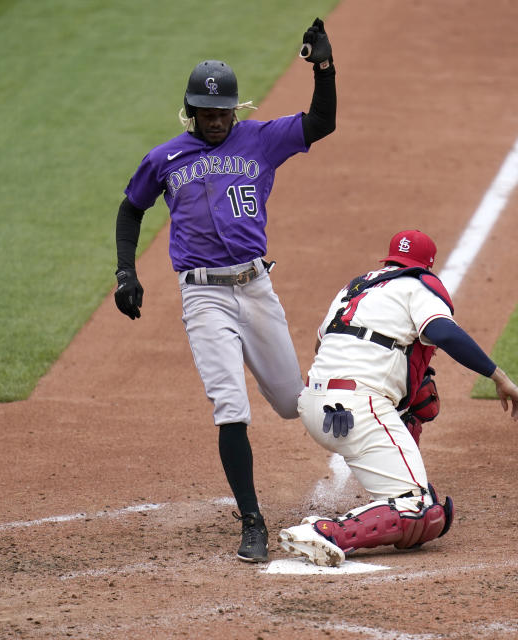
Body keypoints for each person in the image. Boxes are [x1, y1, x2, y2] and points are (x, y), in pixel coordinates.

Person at [112, 19, 336, 563]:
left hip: (256, 288)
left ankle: (367, 426)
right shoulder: (165, 158)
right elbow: (130, 208)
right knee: (230, 405)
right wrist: (126, 272)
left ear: (235, 110)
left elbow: (321, 123)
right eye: (205, 113)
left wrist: (323, 68)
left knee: (291, 403)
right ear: (191, 113)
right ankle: (252, 521)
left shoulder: (260, 138)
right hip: (203, 297)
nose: (215, 121)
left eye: (222, 113)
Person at [277, 230, 518, 567]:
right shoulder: (417, 285)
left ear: (390, 259)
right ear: (427, 266)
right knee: (418, 507)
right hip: (358, 409)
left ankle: (376, 513)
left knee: (420, 516)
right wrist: (498, 376)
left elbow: (321, 346)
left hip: (314, 405)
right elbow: (443, 332)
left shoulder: (354, 288)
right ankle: (326, 532)